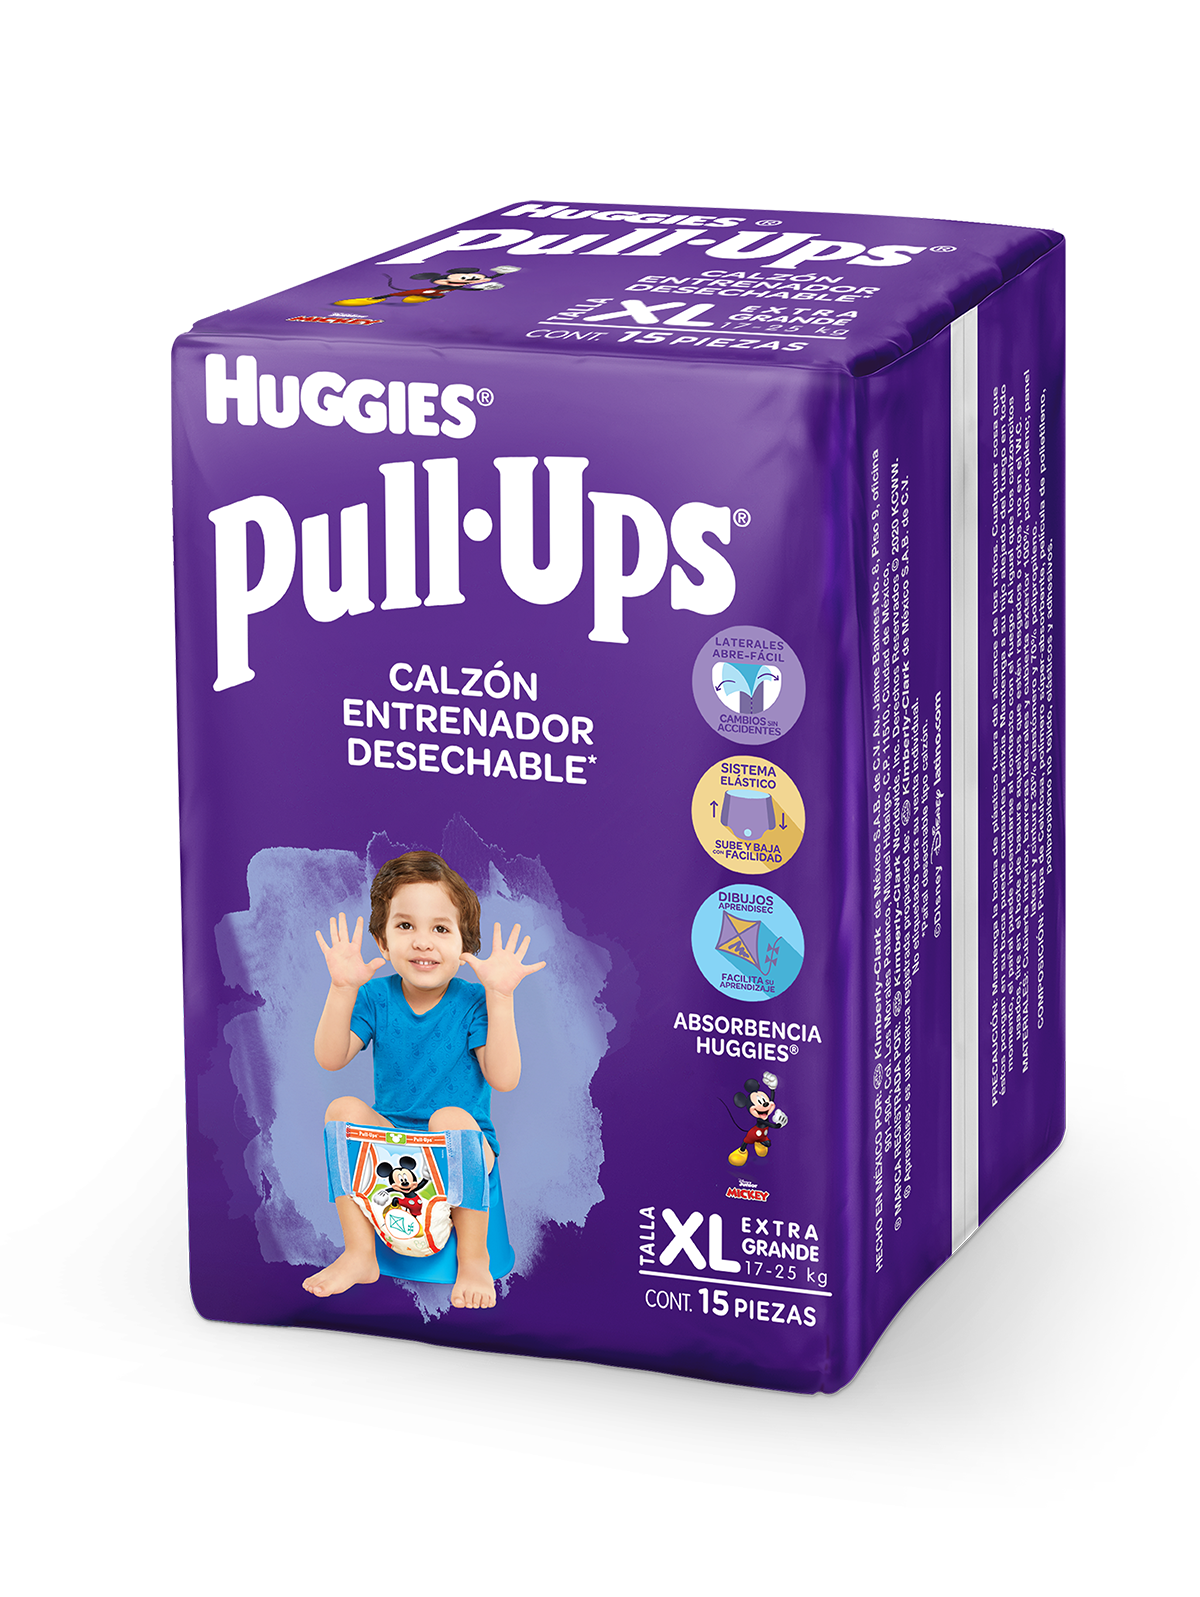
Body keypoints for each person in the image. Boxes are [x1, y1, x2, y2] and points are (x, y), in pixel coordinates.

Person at [301, 851, 544, 1308]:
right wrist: (341, 989)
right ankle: (359, 1253)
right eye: (405, 926)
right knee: (341, 1110)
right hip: (392, 1143)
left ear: (464, 946)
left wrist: (500, 997)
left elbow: (504, 1078)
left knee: (449, 1117)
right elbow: (331, 1058)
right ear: (382, 940)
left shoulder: (473, 1002)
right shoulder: (375, 995)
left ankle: (473, 1259)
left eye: (441, 929)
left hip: (463, 1143)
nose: (422, 942)